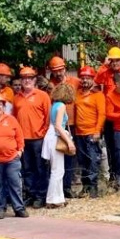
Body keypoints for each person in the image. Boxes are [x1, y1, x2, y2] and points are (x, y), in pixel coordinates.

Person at [13, 67, 51, 208]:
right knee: (27, 168)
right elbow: (14, 119)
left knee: (40, 168)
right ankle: (30, 194)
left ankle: (41, 196)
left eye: (30, 78)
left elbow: (48, 117)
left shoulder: (43, 96)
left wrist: (44, 133)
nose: (27, 81)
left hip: (38, 139)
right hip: (23, 140)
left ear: (35, 80)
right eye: (24, 78)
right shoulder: (16, 98)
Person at [48, 57, 80, 200]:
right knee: (59, 162)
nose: (59, 73)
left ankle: (66, 188)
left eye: (60, 70)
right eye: (55, 71)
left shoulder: (75, 81)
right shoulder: (50, 85)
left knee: (70, 159)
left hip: (72, 125)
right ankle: (59, 191)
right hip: (60, 127)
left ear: (65, 69)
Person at [96, 47, 120, 180]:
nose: (115, 63)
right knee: (111, 147)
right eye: (112, 60)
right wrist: (104, 65)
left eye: (117, 60)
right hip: (110, 117)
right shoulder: (106, 72)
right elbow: (97, 80)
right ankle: (114, 178)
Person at [73, 66, 105, 199]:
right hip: (79, 133)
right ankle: (85, 187)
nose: (85, 80)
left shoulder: (98, 95)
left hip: (92, 132)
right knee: (82, 161)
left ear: (92, 79)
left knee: (93, 160)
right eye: (83, 78)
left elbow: (102, 114)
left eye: (88, 78)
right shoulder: (77, 93)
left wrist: (97, 131)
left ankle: (93, 188)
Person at [42, 83, 76, 207]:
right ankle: (52, 199)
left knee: (56, 169)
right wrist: (69, 142)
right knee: (57, 171)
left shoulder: (54, 105)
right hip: (56, 137)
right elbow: (58, 126)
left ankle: (59, 197)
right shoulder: (61, 106)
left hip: (50, 136)